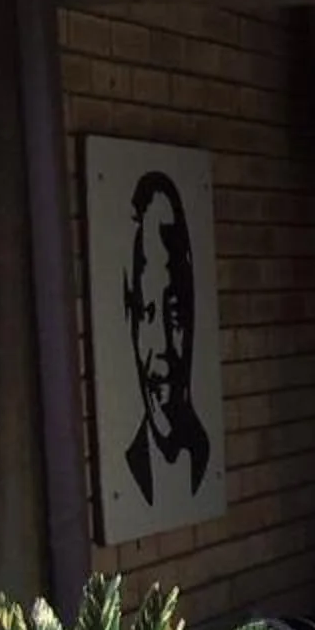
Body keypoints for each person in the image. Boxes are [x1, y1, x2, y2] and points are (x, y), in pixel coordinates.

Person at [120, 171, 211, 508]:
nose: (161, 351)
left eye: (173, 314)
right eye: (146, 312)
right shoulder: (133, 463)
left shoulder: (205, 457)